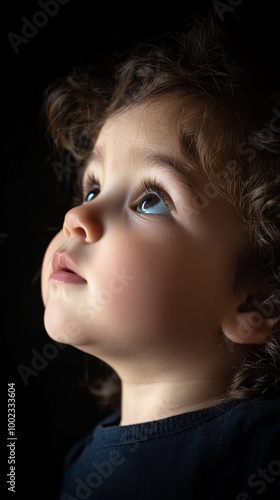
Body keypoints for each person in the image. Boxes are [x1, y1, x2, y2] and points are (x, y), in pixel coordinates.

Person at [40, 8, 280, 500]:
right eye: (92, 189)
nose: (77, 218)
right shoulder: (75, 461)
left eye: (151, 200)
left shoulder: (263, 451)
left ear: (259, 301)